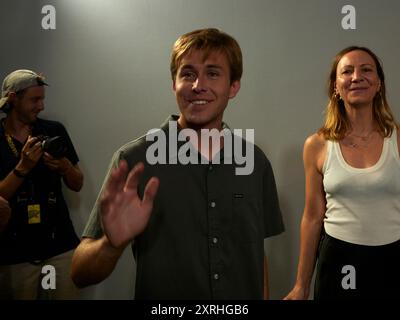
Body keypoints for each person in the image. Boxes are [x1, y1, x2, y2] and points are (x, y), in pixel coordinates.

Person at [71, 28, 284, 299]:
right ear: (174, 83)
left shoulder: (255, 162)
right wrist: (111, 245)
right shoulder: (134, 161)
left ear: (233, 87)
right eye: (188, 74)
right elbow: (79, 273)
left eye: (213, 73)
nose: (198, 86)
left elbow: (256, 254)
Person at [285, 46, 400, 300]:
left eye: (366, 70)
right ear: (336, 87)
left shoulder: (398, 140)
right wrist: (300, 286)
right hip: (338, 261)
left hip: (392, 262)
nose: (357, 76)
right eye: (347, 71)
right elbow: (313, 217)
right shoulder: (316, 145)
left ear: (378, 84)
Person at [0, 69, 84, 299]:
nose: (41, 106)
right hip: (14, 251)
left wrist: (65, 166)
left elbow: (77, 183)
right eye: (34, 100)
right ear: (13, 98)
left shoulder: (53, 131)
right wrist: (22, 168)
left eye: (42, 99)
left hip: (60, 244)